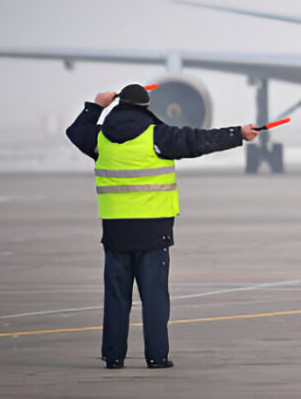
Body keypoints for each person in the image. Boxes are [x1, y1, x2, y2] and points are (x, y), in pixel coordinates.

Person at [65, 84, 259, 369]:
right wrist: (238, 133)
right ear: (146, 108)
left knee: (116, 298)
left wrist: (96, 106)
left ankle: (113, 356)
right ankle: (156, 357)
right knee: (154, 298)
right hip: (154, 233)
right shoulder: (158, 136)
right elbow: (199, 140)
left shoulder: (100, 140)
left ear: (120, 106)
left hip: (116, 233)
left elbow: (75, 132)